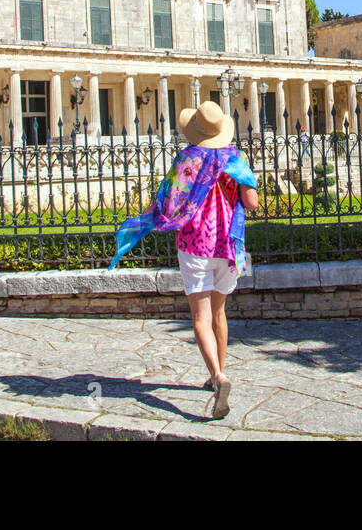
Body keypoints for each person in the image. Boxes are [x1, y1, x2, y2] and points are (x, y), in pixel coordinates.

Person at [108, 101, 259, 420]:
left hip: (195, 243)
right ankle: (217, 371)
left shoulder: (187, 159)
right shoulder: (236, 158)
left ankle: (219, 378)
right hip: (229, 244)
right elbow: (252, 203)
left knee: (200, 317)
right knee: (219, 312)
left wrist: (156, 215)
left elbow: (170, 201)